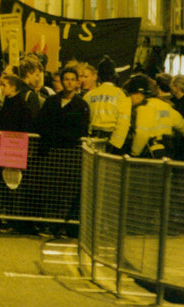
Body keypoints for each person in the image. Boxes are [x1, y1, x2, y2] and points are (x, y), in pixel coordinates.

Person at [33, 66, 90, 236]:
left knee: (67, 190)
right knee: (49, 189)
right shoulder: (51, 101)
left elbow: (80, 130)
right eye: (66, 79)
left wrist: (56, 133)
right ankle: (50, 224)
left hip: (69, 154)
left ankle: (64, 226)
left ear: (77, 82)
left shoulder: (81, 105)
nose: (69, 82)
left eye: (73, 79)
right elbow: (41, 124)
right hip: (50, 153)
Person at [125, 74, 184, 158]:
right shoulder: (164, 105)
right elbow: (182, 125)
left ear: (138, 94)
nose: (130, 99)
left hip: (152, 153)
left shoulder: (144, 108)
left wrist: (134, 154)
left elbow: (142, 134)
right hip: (168, 151)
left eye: (130, 95)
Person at [83, 56, 131, 153]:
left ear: (99, 76)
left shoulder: (88, 95)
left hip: (91, 139)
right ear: (114, 75)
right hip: (111, 141)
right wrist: (115, 145)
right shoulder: (121, 95)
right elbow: (123, 123)